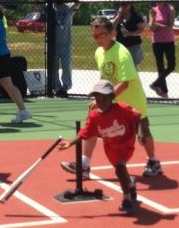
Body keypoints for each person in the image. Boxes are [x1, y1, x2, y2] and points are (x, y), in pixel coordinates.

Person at [61, 17, 162, 178]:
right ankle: (84, 165)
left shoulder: (121, 54)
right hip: (112, 101)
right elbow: (105, 78)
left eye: (102, 35)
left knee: (143, 134)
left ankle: (153, 161)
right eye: (95, 36)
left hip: (133, 102)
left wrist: (102, 100)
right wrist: (100, 98)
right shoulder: (99, 53)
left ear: (112, 33)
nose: (99, 39)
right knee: (93, 124)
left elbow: (125, 83)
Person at [58, 79, 139, 213]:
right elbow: (85, 131)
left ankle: (127, 199)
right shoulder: (95, 116)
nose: (101, 102)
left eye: (104, 98)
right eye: (97, 99)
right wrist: (70, 142)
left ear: (112, 97)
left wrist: (141, 133)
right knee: (120, 169)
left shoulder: (123, 109)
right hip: (111, 149)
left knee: (119, 168)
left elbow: (138, 118)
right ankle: (130, 184)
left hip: (126, 145)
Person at [32, 0, 80, 97]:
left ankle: (65, 88)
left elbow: (78, 2)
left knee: (66, 68)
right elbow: (35, 2)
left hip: (66, 43)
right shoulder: (50, 7)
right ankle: (57, 88)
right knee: (53, 69)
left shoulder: (68, 7)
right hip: (53, 43)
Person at [148, 0, 176, 98]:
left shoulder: (170, 9)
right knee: (160, 66)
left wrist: (156, 24)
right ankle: (164, 91)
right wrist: (154, 20)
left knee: (171, 65)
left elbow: (170, 27)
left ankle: (155, 84)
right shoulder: (153, 10)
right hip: (157, 41)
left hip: (168, 41)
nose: (158, 0)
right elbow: (151, 27)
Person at [111, 0, 145, 67]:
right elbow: (111, 27)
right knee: (120, 66)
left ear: (130, 5)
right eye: (121, 4)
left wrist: (130, 34)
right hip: (120, 46)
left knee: (132, 67)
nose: (123, 6)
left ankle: (133, 78)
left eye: (125, 4)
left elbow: (141, 30)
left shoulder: (136, 16)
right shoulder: (118, 15)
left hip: (133, 46)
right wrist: (119, 15)